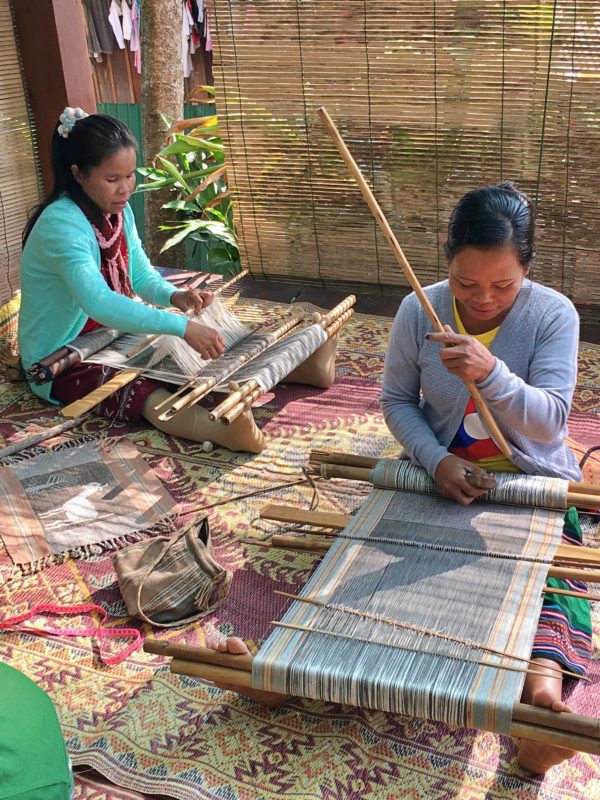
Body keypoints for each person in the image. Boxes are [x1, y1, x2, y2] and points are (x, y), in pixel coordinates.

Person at [380, 181, 592, 773]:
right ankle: (294, 673)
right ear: (448, 260)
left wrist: (490, 370)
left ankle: (542, 706)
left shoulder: (552, 314)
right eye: (467, 283)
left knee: (551, 576)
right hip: (440, 476)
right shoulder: (417, 309)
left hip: (530, 481)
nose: (483, 299)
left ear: (527, 268)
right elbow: (397, 400)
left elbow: (551, 423)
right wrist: (436, 459)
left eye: (504, 284)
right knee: (386, 568)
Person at [18, 107, 264, 452]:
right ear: (78, 174)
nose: (125, 188)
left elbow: (140, 275)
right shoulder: (61, 226)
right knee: (134, 387)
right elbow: (99, 302)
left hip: (110, 332)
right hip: (63, 356)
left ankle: (283, 369)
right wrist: (182, 327)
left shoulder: (118, 211)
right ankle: (220, 429)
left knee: (178, 358)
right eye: (112, 179)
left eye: (130, 175)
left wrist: (175, 297)